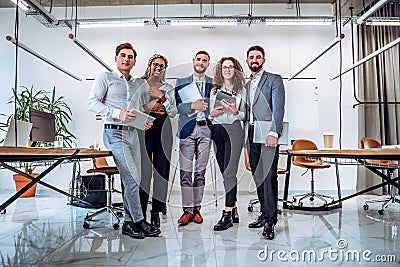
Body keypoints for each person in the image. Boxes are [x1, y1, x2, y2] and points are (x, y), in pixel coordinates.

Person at [88, 42, 161, 239]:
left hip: (133, 134)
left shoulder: (136, 84)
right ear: (116, 58)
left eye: (130, 56)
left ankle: (133, 221)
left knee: (135, 178)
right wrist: (116, 113)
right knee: (132, 177)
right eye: (123, 55)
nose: (126, 59)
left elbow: (135, 111)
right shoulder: (106, 77)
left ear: (135, 61)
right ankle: (136, 221)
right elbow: (92, 102)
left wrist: (141, 122)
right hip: (114, 132)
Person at [244, 45, 285, 240]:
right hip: (251, 134)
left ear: (263, 60)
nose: (254, 60)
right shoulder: (245, 85)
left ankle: (270, 220)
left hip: (267, 133)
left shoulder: (274, 79)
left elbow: (278, 107)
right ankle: (264, 213)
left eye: (258, 57)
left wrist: (274, 132)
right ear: (247, 61)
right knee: (258, 176)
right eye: (251, 57)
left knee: (269, 177)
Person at [138, 54, 177, 228]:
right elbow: (131, 105)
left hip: (164, 127)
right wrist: (148, 106)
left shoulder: (168, 87)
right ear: (149, 65)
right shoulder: (139, 83)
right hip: (143, 127)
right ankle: (139, 210)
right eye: (155, 65)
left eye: (162, 66)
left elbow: (174, 111)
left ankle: (156, 211)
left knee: (162, 169)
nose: (158, 68)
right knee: (144, 170)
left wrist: (161, 96)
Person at [174, 51, 213, 225]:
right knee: (185, 172)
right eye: (198, 59)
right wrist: (192, 105)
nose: (201, 62)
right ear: (193, 61)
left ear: (208, 63)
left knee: (200, 172)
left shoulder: (214, 83)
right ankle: (187, 210)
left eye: (204, 60)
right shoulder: (181, 82)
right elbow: (177, 107)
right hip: (187, 131)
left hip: (206, 130)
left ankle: (197, 209)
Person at [209, 57, 246, 231]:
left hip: (234, 130)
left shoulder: (242, 90)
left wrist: (235, 110)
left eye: (231, 67)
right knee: (225, 173)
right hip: (217, 131)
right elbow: (209, 114)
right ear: (220, 70)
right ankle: (234, 207)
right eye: (224, 67)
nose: (228, 70)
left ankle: (227, 214)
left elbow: (246, 115)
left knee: (230, 172)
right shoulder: (214, 90)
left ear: (236, 70)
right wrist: (212, 113)